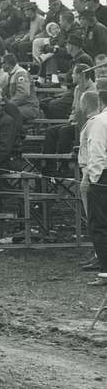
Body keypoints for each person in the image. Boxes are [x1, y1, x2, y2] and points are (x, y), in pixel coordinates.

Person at [81, 86, 107, 283]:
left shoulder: (99, 122)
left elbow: (97, 151)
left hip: (102, 177)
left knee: (99, 224)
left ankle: (105, 270)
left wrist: (94, 179)